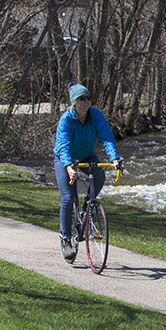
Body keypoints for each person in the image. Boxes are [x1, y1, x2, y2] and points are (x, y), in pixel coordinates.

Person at [53, 82, 124, 263]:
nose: (86, 102)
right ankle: (66, 238)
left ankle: (88, 206)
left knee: (99, 173)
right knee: (68, 198)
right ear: (74, 102)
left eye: (88, 98)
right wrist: (69, 167)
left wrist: (115, 158)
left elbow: (106, 137)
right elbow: (63, 145)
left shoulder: (95, 116)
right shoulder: (67, 119)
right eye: (82, 99)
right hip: (65, 159)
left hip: (86, 156)